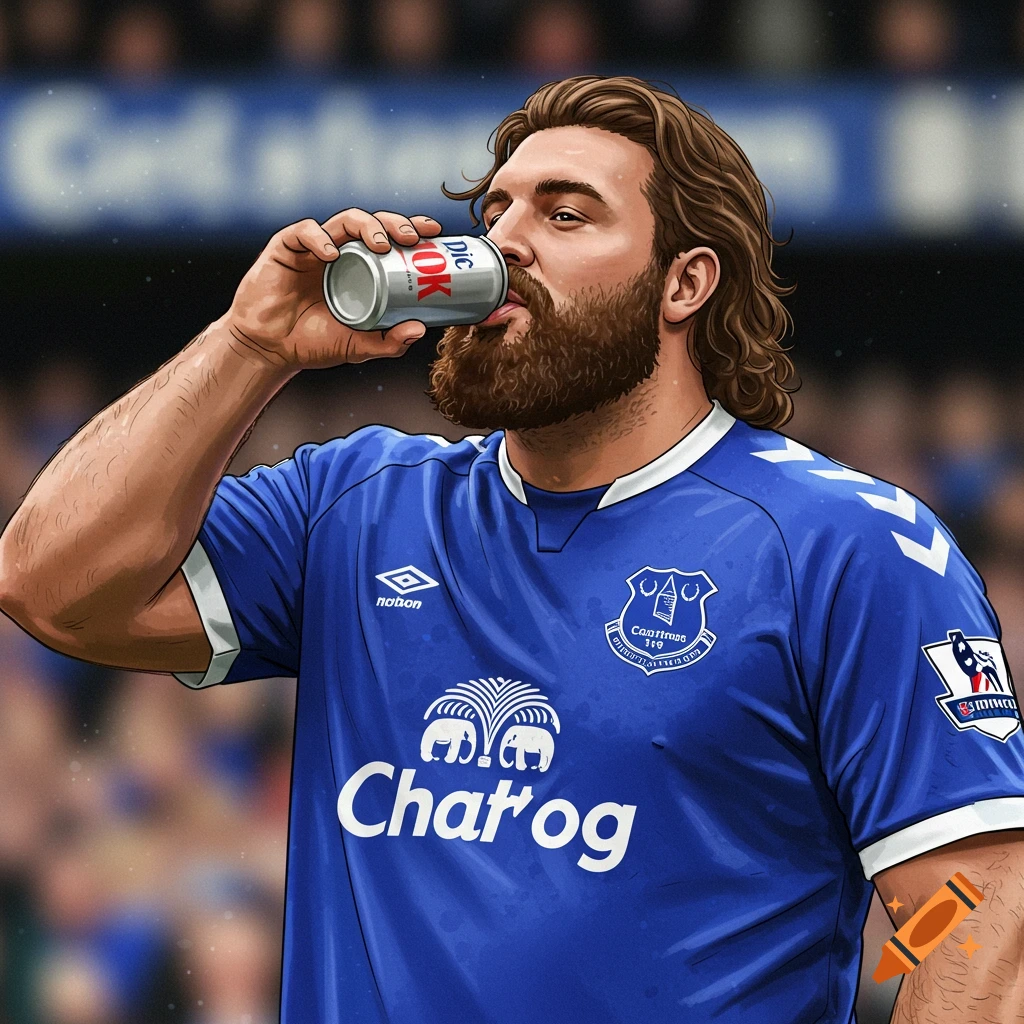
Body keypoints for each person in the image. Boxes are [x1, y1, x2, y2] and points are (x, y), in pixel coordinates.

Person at [1, 75, 1023, 1024]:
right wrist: (249, 344)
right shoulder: (353, 503)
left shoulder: (844, 547)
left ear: (683, 284)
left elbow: (979, 913)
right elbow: (49, 587)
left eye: (565, 213)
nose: (507, 241)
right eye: (496, 213)